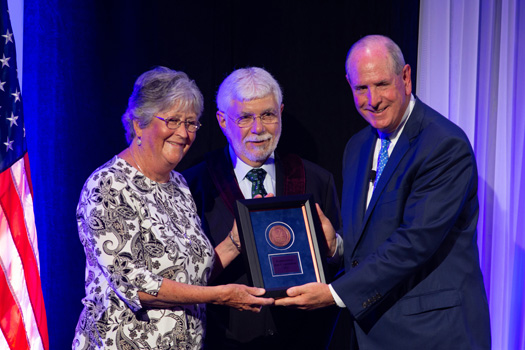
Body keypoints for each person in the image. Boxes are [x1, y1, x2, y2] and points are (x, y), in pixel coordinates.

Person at [275, 35, 491, 349]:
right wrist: (336, 244)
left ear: (405, 77)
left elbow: (414, 242)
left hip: (433, 334)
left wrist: (336, 293)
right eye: (361, 88)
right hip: (372, 330)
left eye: (381, 85)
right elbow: (370, 240)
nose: (372, 100)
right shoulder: (358, 146)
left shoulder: (444, 145)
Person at [72, 67, 274, 350]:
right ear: (139, 123)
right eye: (173, 120)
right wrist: (218, 295)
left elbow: (190, 275)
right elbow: (137, 284)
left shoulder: (178, 184)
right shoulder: (108, 185)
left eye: (191, 123)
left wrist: (233, 243)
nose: (183, 133)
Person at [183, 67, 342, 349]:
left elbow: (345, 270)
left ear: (280, 112)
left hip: (303, 341)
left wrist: (334, 250)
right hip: (224, 341)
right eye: (244, 117)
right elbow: (182, 279)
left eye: (268, 114)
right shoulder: (194, 187)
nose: (258, 129)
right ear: (222, 120)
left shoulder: (317, 180)